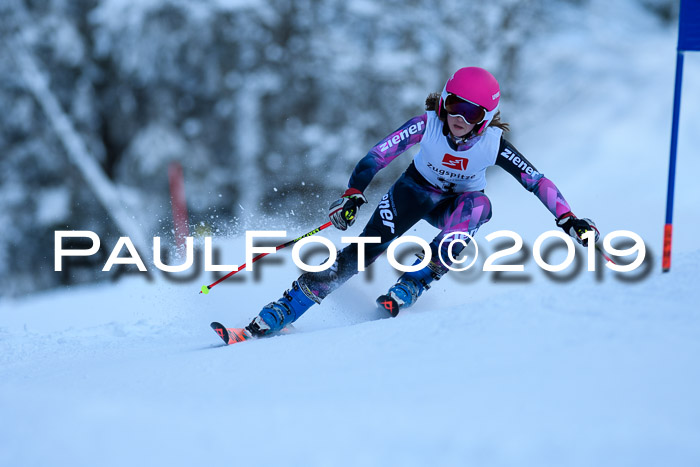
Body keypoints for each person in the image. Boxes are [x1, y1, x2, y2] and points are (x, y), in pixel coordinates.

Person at [239, 66, 599, 339]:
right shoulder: (425, 125)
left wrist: (568, 219)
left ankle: (415, 280)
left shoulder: (493, 144)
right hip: (413, 192)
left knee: (480, 207)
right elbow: (376, 157)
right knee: (361, 253)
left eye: (471, 113)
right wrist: (353, 194)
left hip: (454, 205)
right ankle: (286, 309)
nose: (458, 118)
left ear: (485, 119)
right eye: (454, 106)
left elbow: (536, 180)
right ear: (443, 101)